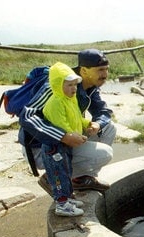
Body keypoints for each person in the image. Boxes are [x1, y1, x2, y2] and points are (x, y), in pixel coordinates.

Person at [20, 49, 115, 194]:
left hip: (65, 138)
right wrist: (63, 135)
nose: (105, 75)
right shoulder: (58, 85)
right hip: (42, 147)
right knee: (105, 153)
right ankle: (52, 177)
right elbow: (26, 115)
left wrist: (97, 124)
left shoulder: (89, 86)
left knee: (108, 127)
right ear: (84, 70)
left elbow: (103, 112)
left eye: (106, 69)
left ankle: (81, 179)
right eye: (100, 70)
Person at [42, 63, 93, 216]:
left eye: (75, 85)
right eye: (69, 85)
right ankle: (61, 204)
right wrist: (75, 135)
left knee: (67, 171)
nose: (74, 89)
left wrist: (88, 123)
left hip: (65, 145)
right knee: (58, 175)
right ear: (57, 85)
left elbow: (76, 118)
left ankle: (67, 198)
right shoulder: (56, 102)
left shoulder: (70, 99)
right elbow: (62, 127)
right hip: (55, 147)